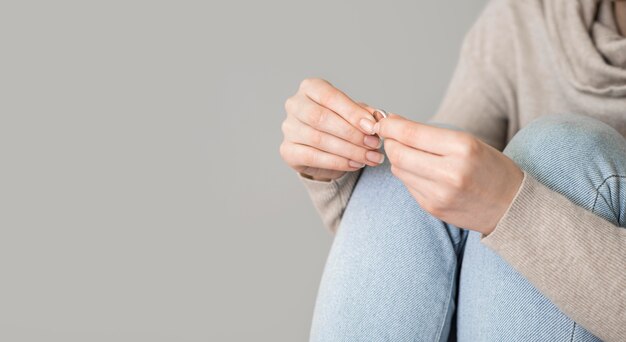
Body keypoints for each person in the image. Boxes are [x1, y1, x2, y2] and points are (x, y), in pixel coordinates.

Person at [279, 0, 626, 340]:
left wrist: (513, 208)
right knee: (405, 174)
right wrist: (334, 164)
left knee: (562, 154)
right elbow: (415, 224)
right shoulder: (527, 19)